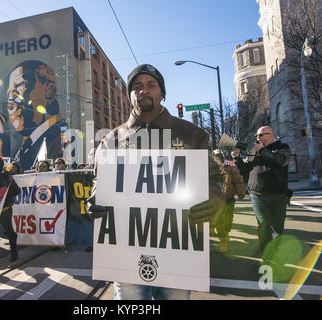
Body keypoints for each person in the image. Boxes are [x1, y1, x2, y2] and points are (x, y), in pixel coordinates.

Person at [87, 64, 225, 300]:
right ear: (130, 95)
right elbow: (99, 180)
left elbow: (215, 177)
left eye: (151, 85)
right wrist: (95, 199)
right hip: (127, 248)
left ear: (162, 93)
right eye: (137, 86)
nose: (144, 91)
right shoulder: (112, 140)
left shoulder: (192, 135)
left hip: (179, 246)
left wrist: (216, 198)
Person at [0, 60, 65, 171]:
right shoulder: (25, 142)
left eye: (21, 85)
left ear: (50, 90)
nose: (11, 100)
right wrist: (1, 154)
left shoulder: (56, 133)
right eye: (9, 93)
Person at [231, 126, 291, 258]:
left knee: (277, 228)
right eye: (256, 136)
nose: (257, 138)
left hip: (278, 195)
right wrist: (237, 159)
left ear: (270, 135)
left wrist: (262, 150)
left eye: (260, 135)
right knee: (263, 225)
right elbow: (245, 170)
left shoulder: (283, 148)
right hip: (258, 195)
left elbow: (280, 161)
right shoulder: (255, 150)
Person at [211, 149, 245, 253]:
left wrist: (241, 193)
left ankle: (226, 233)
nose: (218, 159)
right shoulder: (209, 170)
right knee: (219, 220)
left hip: (229, 199)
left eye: (219, 156)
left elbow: (238, 180)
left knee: (228, 219)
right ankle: (223, 240)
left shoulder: (230, 168)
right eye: (215, 157)